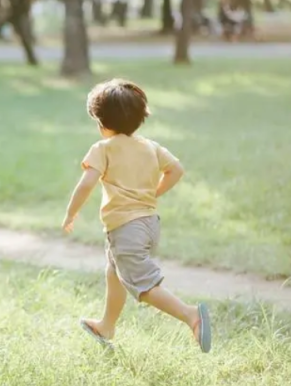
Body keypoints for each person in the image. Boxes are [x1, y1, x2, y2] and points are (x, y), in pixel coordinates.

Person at [61, 79, 212, 353]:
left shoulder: (102, 149)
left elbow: (86, 184)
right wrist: (153, 194)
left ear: (101, 122)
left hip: (126, 228)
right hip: (149, 224)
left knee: (143, 285)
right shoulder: (150, 146)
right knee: (115, 272)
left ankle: (191, 315)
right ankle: (107, 324)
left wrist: (71, 213)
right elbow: (176, 170)